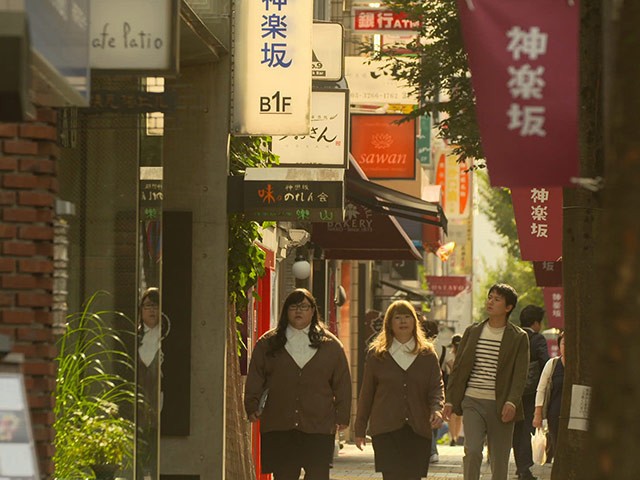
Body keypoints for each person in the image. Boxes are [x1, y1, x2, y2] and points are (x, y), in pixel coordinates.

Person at [244, 288, 352, 480]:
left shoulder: (330, 345)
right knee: (284, 475)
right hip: (280, 423)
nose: (298, 311)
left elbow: (342, 383)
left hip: (318, 424)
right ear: (286, 311)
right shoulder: (268, 343)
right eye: (293, 306)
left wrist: (343, 415)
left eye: (304, 306)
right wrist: (251, 405)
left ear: (313, 311)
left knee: (318, 475)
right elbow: (256, 377)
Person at [442, 283, 529, 480]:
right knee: (472, 451)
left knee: (499, 460)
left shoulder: (518, 337)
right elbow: (458, 369)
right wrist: (450, 400)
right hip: (473, 401)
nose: (490, 301)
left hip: (501, 405)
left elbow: (520, 374)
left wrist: (511, 401)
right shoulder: (473, 332)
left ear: (508, 307)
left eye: (497, 299)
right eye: (490, 297)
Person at [355, 300, 444, 480]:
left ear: (414, 322)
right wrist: (360, 428)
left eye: (407, 317)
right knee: (391, 476)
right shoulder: (377, 354)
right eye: (398, 317)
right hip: (385, 429)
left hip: (418, 429)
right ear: (389, 323)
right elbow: (367, 393)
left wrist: (437, 409)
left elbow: (436, 386)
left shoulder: (426, 354)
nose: (403, 321)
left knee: (413, 476)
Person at [512, 305, 550, 480]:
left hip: (513, 391)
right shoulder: (538, 339)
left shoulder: (513, 337)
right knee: (526, 428)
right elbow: (544, 362)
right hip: (530, 392)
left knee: (517, 429)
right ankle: (524, 469)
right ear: (536, 323)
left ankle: (520, 466)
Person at [533, 332, 565, 463]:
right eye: (564, 343)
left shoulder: (582, 367)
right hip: (555, 415)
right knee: (558, 446)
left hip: (576, 416)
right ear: (559, 346)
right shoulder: (552, 365)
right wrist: (538, 414)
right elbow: (541, 389)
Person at [421, 318, 445, 464]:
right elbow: (452, 366)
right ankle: (432, 449)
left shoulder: (418, 347)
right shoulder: (442, 348)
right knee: (434, 417)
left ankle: (430, 450)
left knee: (424, 419)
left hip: (421, 387)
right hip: (437, 387)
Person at [446, 333, 463, 446]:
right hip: (461, 387)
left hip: (451, 387)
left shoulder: (449, 357)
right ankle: (455, 437)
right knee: (459, 415)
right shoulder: (464, 357)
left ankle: (453, 437)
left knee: (452, 414)